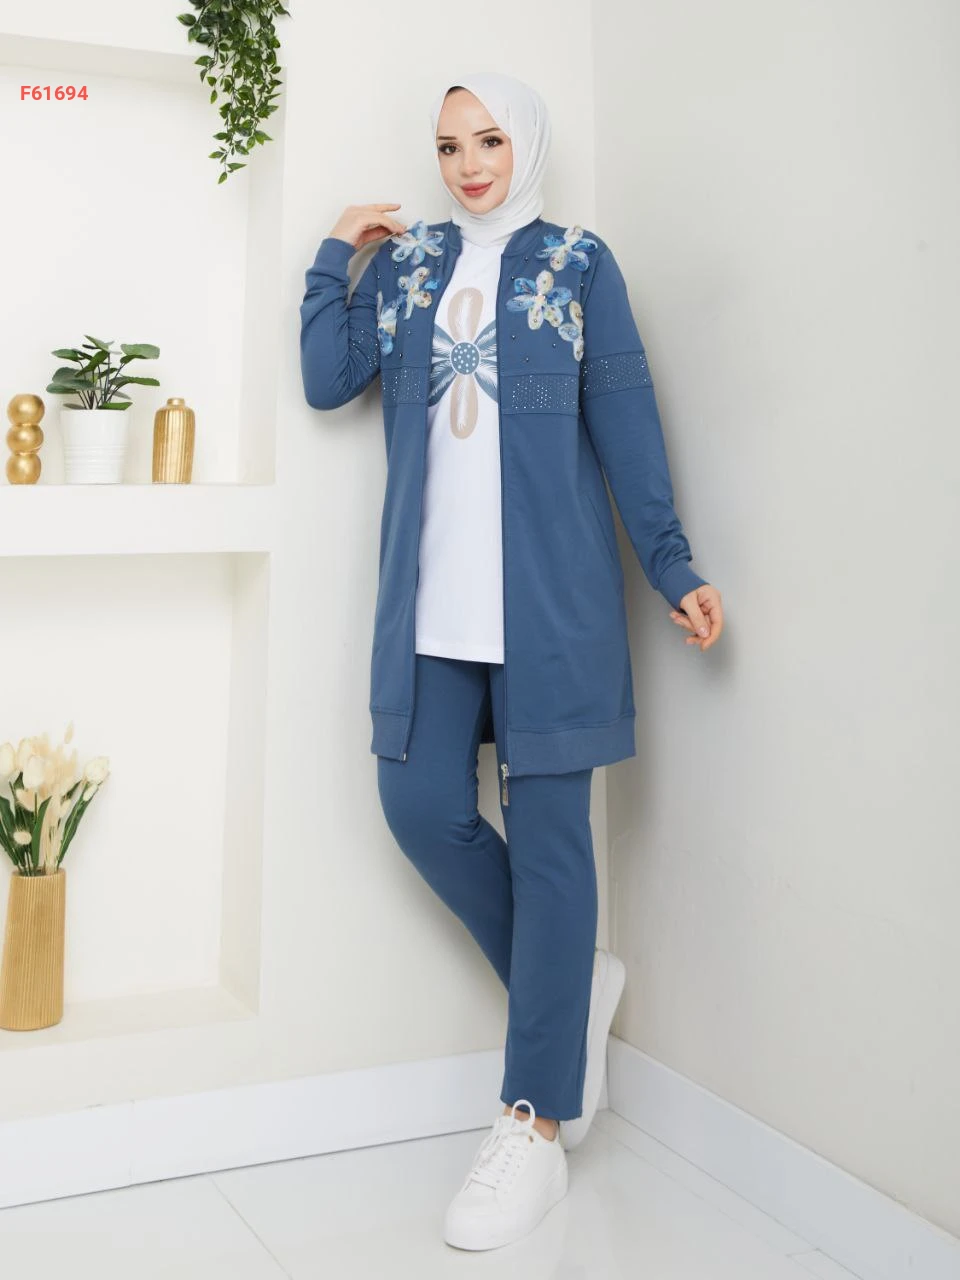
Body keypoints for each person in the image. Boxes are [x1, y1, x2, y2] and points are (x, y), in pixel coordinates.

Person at [299, 71, 724, 1252]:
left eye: (488, 139)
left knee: (551, 843)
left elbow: (628, 425)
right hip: (431, 609)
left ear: (524, 143)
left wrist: (673, 563)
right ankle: (572, 986)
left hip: (551, 609)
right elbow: (327, 380)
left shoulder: (579, 264)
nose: (469, 164)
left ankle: (533, 1121)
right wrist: (335, 255)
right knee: (417, 804)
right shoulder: (409, 267)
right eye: (448, 146)